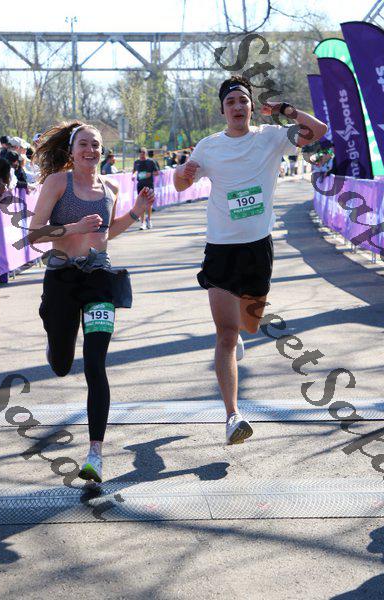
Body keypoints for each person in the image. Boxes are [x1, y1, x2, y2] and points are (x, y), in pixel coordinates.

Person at [173, 75, 327, 445]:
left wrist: (287, 110)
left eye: (243, 100)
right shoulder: (209, 146)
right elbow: (181, 185)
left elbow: (318, 131)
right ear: (223, 111)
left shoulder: (270, 137)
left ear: (252, 107)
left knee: (250, 327)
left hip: (258, 249)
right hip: (221, 249)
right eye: (230, 102)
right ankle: (233, 416)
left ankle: (239, 333)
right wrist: (182, 174)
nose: (237, 107)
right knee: (226, 334)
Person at [29, 121, 154, 483]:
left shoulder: (111, 187)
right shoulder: (59, 183)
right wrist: (73, 228)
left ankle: (95, 454)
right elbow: (34, 234)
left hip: (99, 279)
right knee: (62, 364)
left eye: (96, 145)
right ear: (71, 150)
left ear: (103, 151)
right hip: (62, 279)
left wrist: (136, 212)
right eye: (83, 144)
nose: (91, 150)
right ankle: (54, 343)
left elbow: (106, 233)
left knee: (95, 365)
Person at [132, 147, 158, 230]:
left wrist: (150, 174)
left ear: (146, 153)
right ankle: (142, 223)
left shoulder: (151, 162)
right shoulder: (136, 162)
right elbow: (134, 171)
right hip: (140, 185)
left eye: (143, 152)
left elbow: (157, 173)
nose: (142, 154)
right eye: (140, 152)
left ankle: (149, 220)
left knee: (149, 204)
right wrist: (133, 175)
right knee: (141, 204)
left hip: (149, 184)